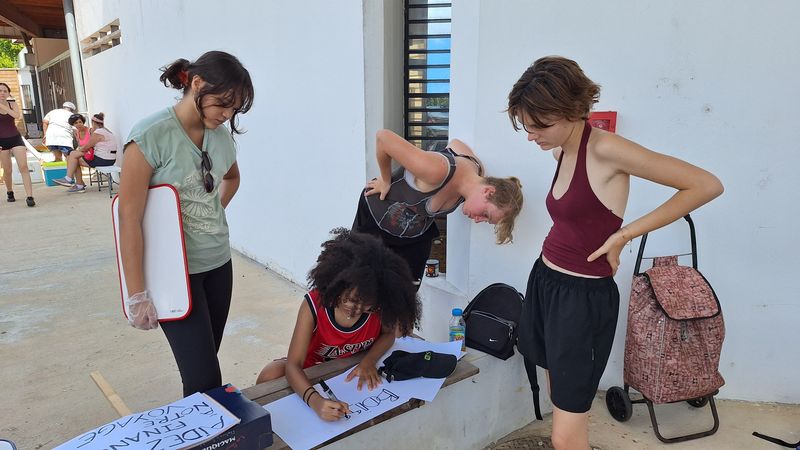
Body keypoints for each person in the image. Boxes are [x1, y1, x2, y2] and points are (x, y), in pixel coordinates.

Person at [507, 56, 724, 450]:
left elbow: (705, 185)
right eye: (527, 125)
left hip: (582, 300)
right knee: (560, 397)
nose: (531, 136)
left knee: (565, 434)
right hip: (547, 281)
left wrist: (625, 235)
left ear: (572, 111)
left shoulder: (608, 150)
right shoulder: (560, 152)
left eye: (539, 126)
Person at [118, 50, 254, 396]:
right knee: (204, 376)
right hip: (175, 274)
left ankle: (201, 433)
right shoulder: (150, 135)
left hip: (219, 264)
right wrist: (136, 293)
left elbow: (232, 178)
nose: (227, 115)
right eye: (223, 103)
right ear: (196, 83)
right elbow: (129, 217)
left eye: (235, 108)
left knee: (203, 367)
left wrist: (211, 213)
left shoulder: (222, 137)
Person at [256, 229, 421, 421]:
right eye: (351, 300)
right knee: (270, 374)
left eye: (366, 305)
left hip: (349, 373)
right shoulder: (314, 304)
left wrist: (368, 361)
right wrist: (316, 401)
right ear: (337, 285)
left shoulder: (376, 307)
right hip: (312, 371)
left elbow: (388, 335)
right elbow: (293, 365)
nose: (357, 310)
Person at [353, 129, 524, 288]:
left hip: (415, 234)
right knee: (360, 285)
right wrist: (385, 180)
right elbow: (383, 138)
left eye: (486, 220)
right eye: (486, 215)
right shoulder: (437, 170)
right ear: (488, 191)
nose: (480, 220)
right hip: (376, 218)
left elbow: (455, 144)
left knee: (403, 298)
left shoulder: (476, 167)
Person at [53, 113, 119, 193]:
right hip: (108, 159)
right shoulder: (106, 131)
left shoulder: (98, 132)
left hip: (103, 160)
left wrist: (76, 151)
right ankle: (76, 183)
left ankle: (71, 180)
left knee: (73, 157)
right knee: (73, 157)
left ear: (93, 122)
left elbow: (87, 147)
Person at [0, 82, 35, 206]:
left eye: (5, 91)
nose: (2, 93)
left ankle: (30, 196)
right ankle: (10, 191)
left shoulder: (12, 104)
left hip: (15, 138)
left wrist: (3, 106)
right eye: (0, 91)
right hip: (1, 141)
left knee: (23, 166)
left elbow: (16, 115)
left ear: (9, 93)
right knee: (7, 169)